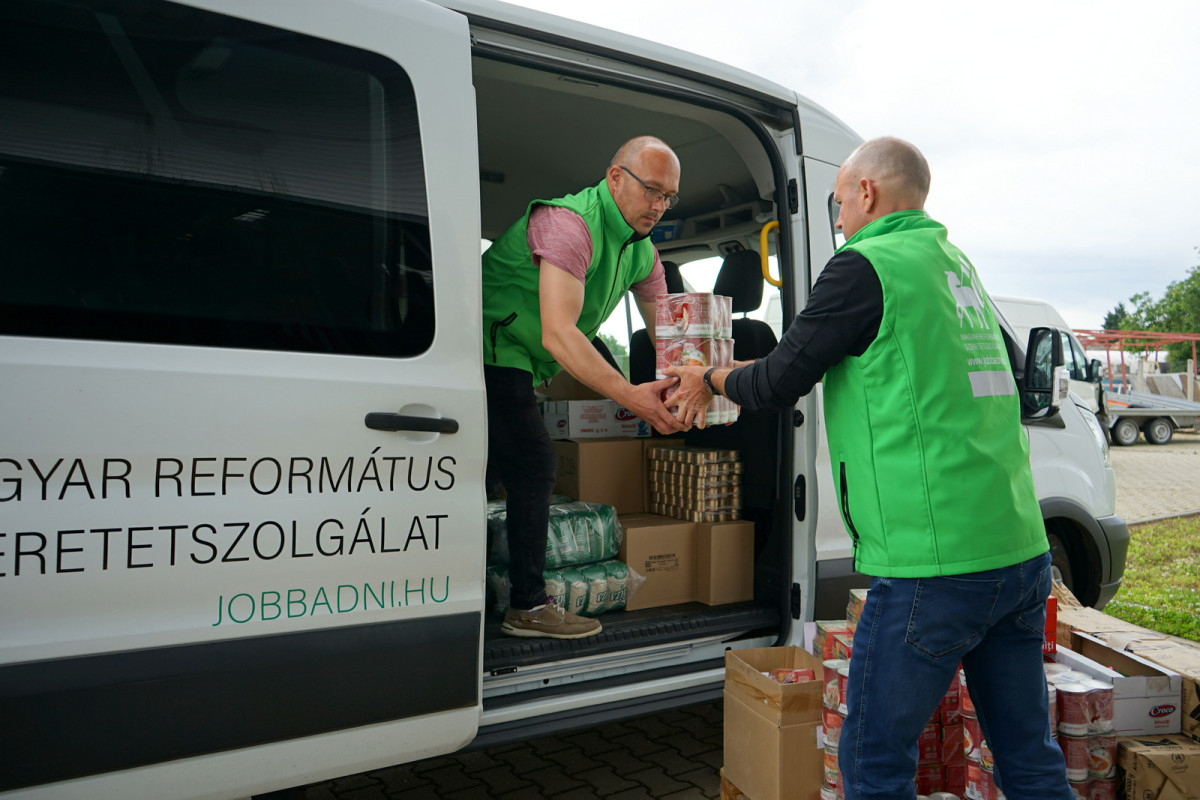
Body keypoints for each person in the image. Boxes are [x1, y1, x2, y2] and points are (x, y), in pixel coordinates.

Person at [666, 137, 1072, 799]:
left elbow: (776, 384)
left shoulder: (864, 265)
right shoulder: (952, 264)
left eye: (838, 203)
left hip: (932, 564)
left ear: (866, 192)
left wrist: (708, 377)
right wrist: (734, 370)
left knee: (873, 761)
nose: (838, 218)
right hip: (1019, 551)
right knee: (1028, 755)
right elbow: (801, 360)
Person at [483, 135, 687, 639]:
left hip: (523, 360)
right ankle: (527, 606)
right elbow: (559, 333)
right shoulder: (569, 225)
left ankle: (471, 591)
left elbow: (669, 334)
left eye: (669, 197)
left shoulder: (642, 252)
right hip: (488, 346)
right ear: (615, 178)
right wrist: (631, 396)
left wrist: (703, 381)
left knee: (491, 472)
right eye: (652, 190)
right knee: (534, 462)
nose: (659, 206)